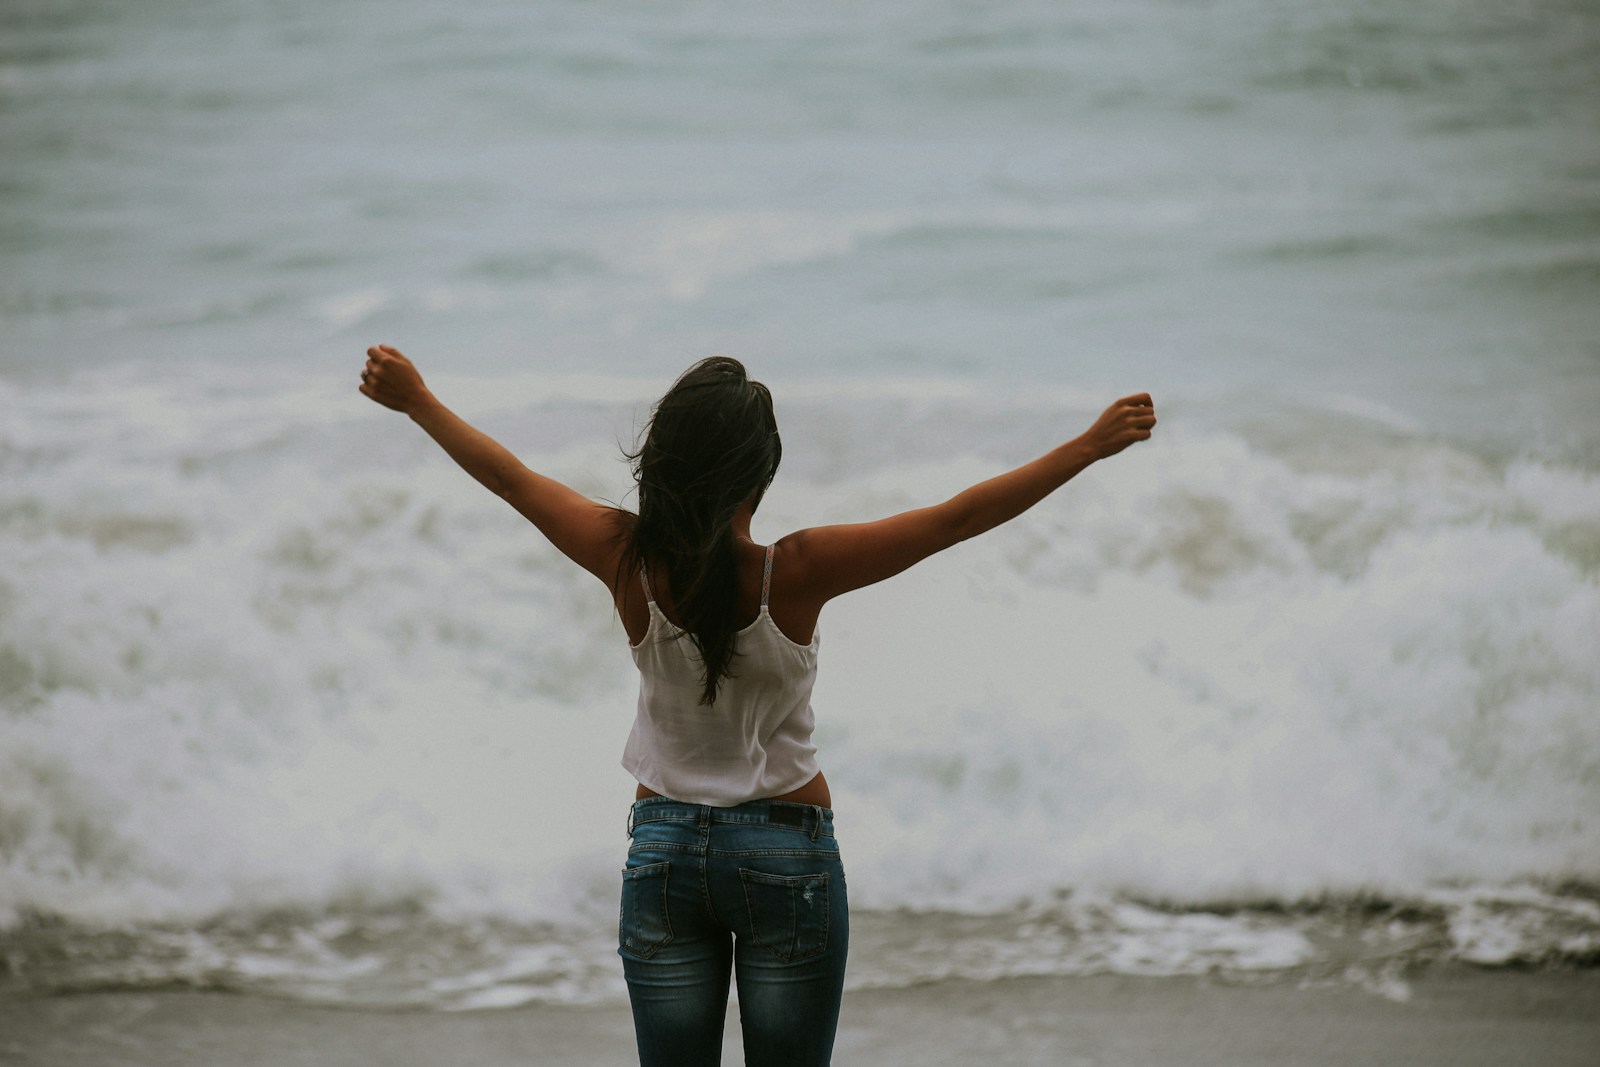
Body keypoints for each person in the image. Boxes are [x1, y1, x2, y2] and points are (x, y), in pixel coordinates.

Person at [357, 345, 1155, 1066]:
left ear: (663, 463)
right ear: (759, 474)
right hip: (786, 853)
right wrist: (1087, 446)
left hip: (663, 851)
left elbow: (509, 478)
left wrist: (418, 399)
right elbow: (956, 518)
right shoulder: (797, 569)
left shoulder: (624, 557)